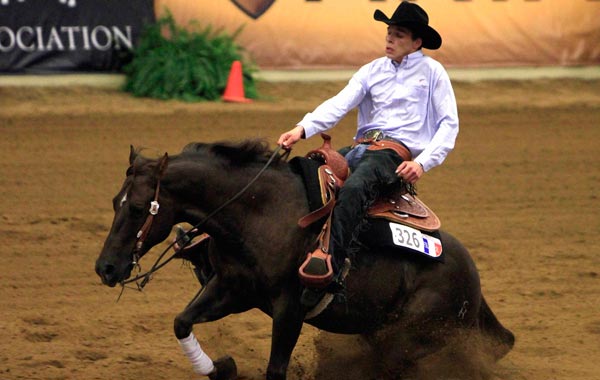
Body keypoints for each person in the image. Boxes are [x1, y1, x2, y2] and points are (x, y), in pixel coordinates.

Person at [278, 1, 459, 286]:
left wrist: (422, 163)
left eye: (399, 34)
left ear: (417, 42)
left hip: (393, 155)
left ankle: (330, 267)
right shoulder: (372, 70)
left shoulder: (433, 72)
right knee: (307, 173)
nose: (390, 38)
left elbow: (449, 125)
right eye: (389, 32)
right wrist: (302, 129)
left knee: (355, 187)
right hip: (359, 148)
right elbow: (339, 103)